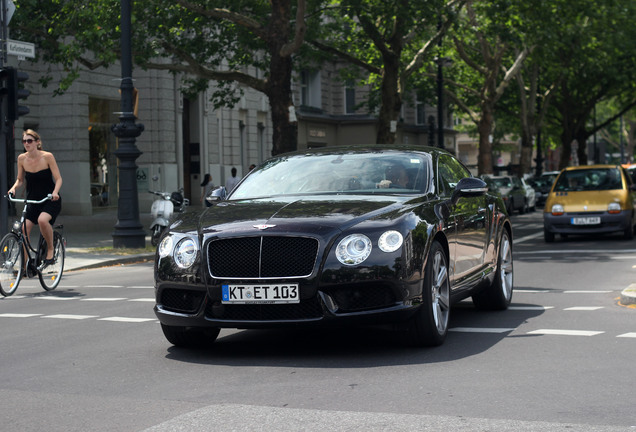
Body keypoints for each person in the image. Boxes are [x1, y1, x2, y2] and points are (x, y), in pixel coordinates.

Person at [8, 129, 63, 264]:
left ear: (37, 142)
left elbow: (59, 179)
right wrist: (13, 188)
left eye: (29, 141)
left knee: (43, 220)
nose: (26, 143)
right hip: (33, 200)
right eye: (24, 141)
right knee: (23, 229)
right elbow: (20, 180)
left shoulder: (47, 157)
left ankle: (50, 250)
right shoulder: (22, 158)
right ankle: (26, 266)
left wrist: (55, 192)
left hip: (49, 199)